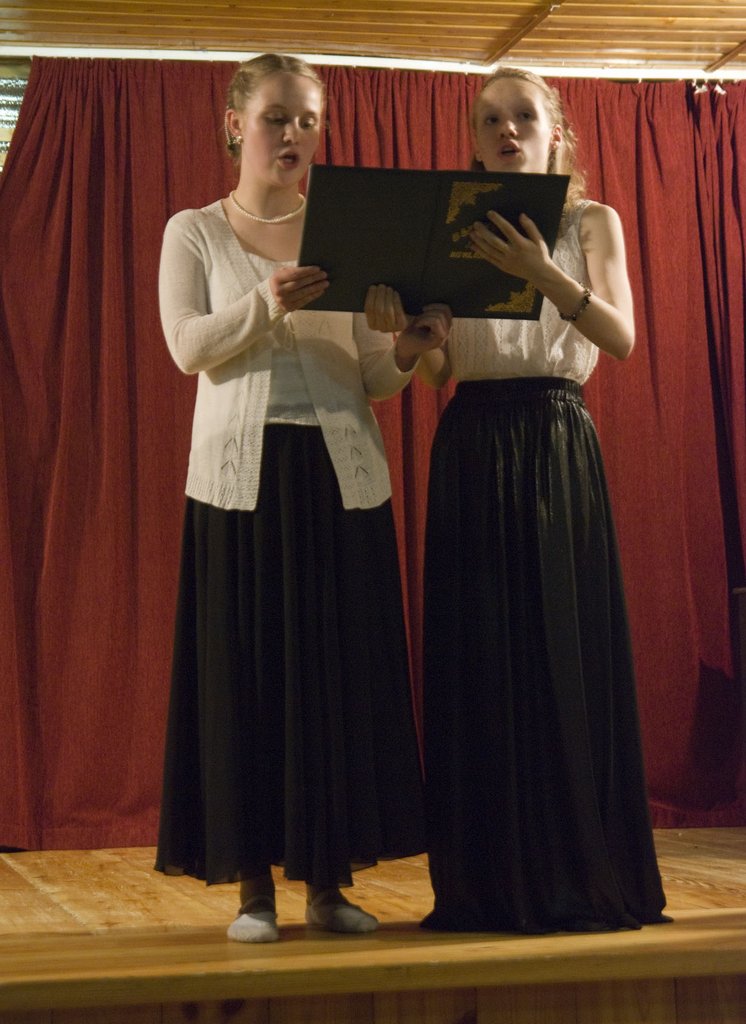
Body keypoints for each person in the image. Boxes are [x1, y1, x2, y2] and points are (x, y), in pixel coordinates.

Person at [367, 67, 669, 933]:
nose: (506, 130)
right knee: (482, 660)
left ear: (553, 132)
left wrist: (544, 273)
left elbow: (621, 338)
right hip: (471, 442)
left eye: (523, 116)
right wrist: (412, 337)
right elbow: (439, 369)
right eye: (490, 119)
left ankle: (581, 869)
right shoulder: (451, 231)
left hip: (556, 436)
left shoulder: (591, 221)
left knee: (562, 651)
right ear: (474, 139)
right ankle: (489, 882)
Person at [154, 53, 447, 943]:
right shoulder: (193, 232)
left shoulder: (344, 230)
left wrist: (407, 348)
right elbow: (186, 346)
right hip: (237, 488)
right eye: (277, 117)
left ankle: (327, 884)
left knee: (333, 682)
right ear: (235, 124)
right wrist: (266, 302)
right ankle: (253, 892)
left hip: (338, 475)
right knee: (246, 681)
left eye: (308, 120)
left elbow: (368, 373)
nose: (294, 134)